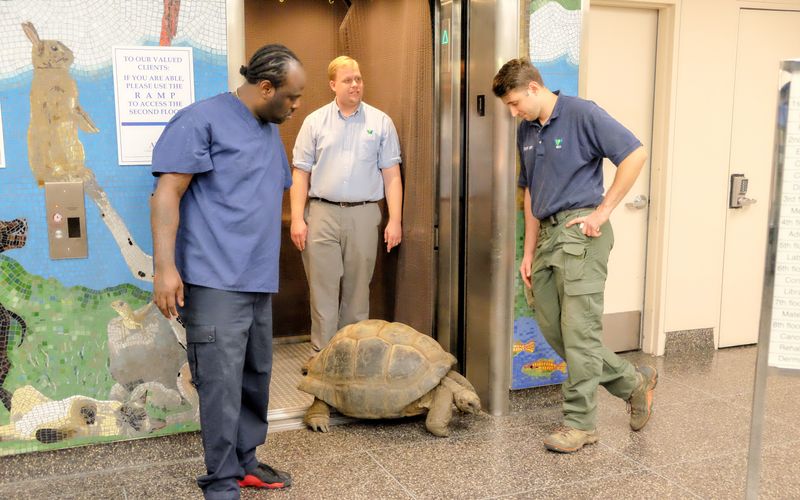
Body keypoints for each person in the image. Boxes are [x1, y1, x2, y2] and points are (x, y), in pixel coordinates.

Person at [150, 44, 305, 499]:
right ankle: (221, 482)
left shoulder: (267, 130)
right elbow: (166, 195)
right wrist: (165, 269)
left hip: (257, 279)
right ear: (265, 87)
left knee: (255, 376)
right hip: (215, 279)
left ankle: (245, 462)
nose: (296, 106)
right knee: (219, 386)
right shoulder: (201, 119)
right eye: (292, 97)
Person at [492, 59, 658, 453]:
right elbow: (530, 190)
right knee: (557, 332)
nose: (514, 112)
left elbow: (635, 153)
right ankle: (633, 382)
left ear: (534, 88)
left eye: (516, 103)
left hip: (581, 235)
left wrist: (602, 212)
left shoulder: (583, 113)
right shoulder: (526, 129)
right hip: (548, 237)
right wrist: (527, 249)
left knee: (581, 336)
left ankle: (581, 424)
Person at [290, 55, 403, 351]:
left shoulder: (380, 122)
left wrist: (395, 220)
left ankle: (352, 358)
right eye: (347, 80)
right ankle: (323, 357)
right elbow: (300, 173)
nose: (355, 85)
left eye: (358, 79)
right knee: (322, 290)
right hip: (321, 213)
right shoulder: (314, 122)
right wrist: (297, 219)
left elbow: (391, 174)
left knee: (357, 294)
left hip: (364, 214)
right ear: (332, 85)